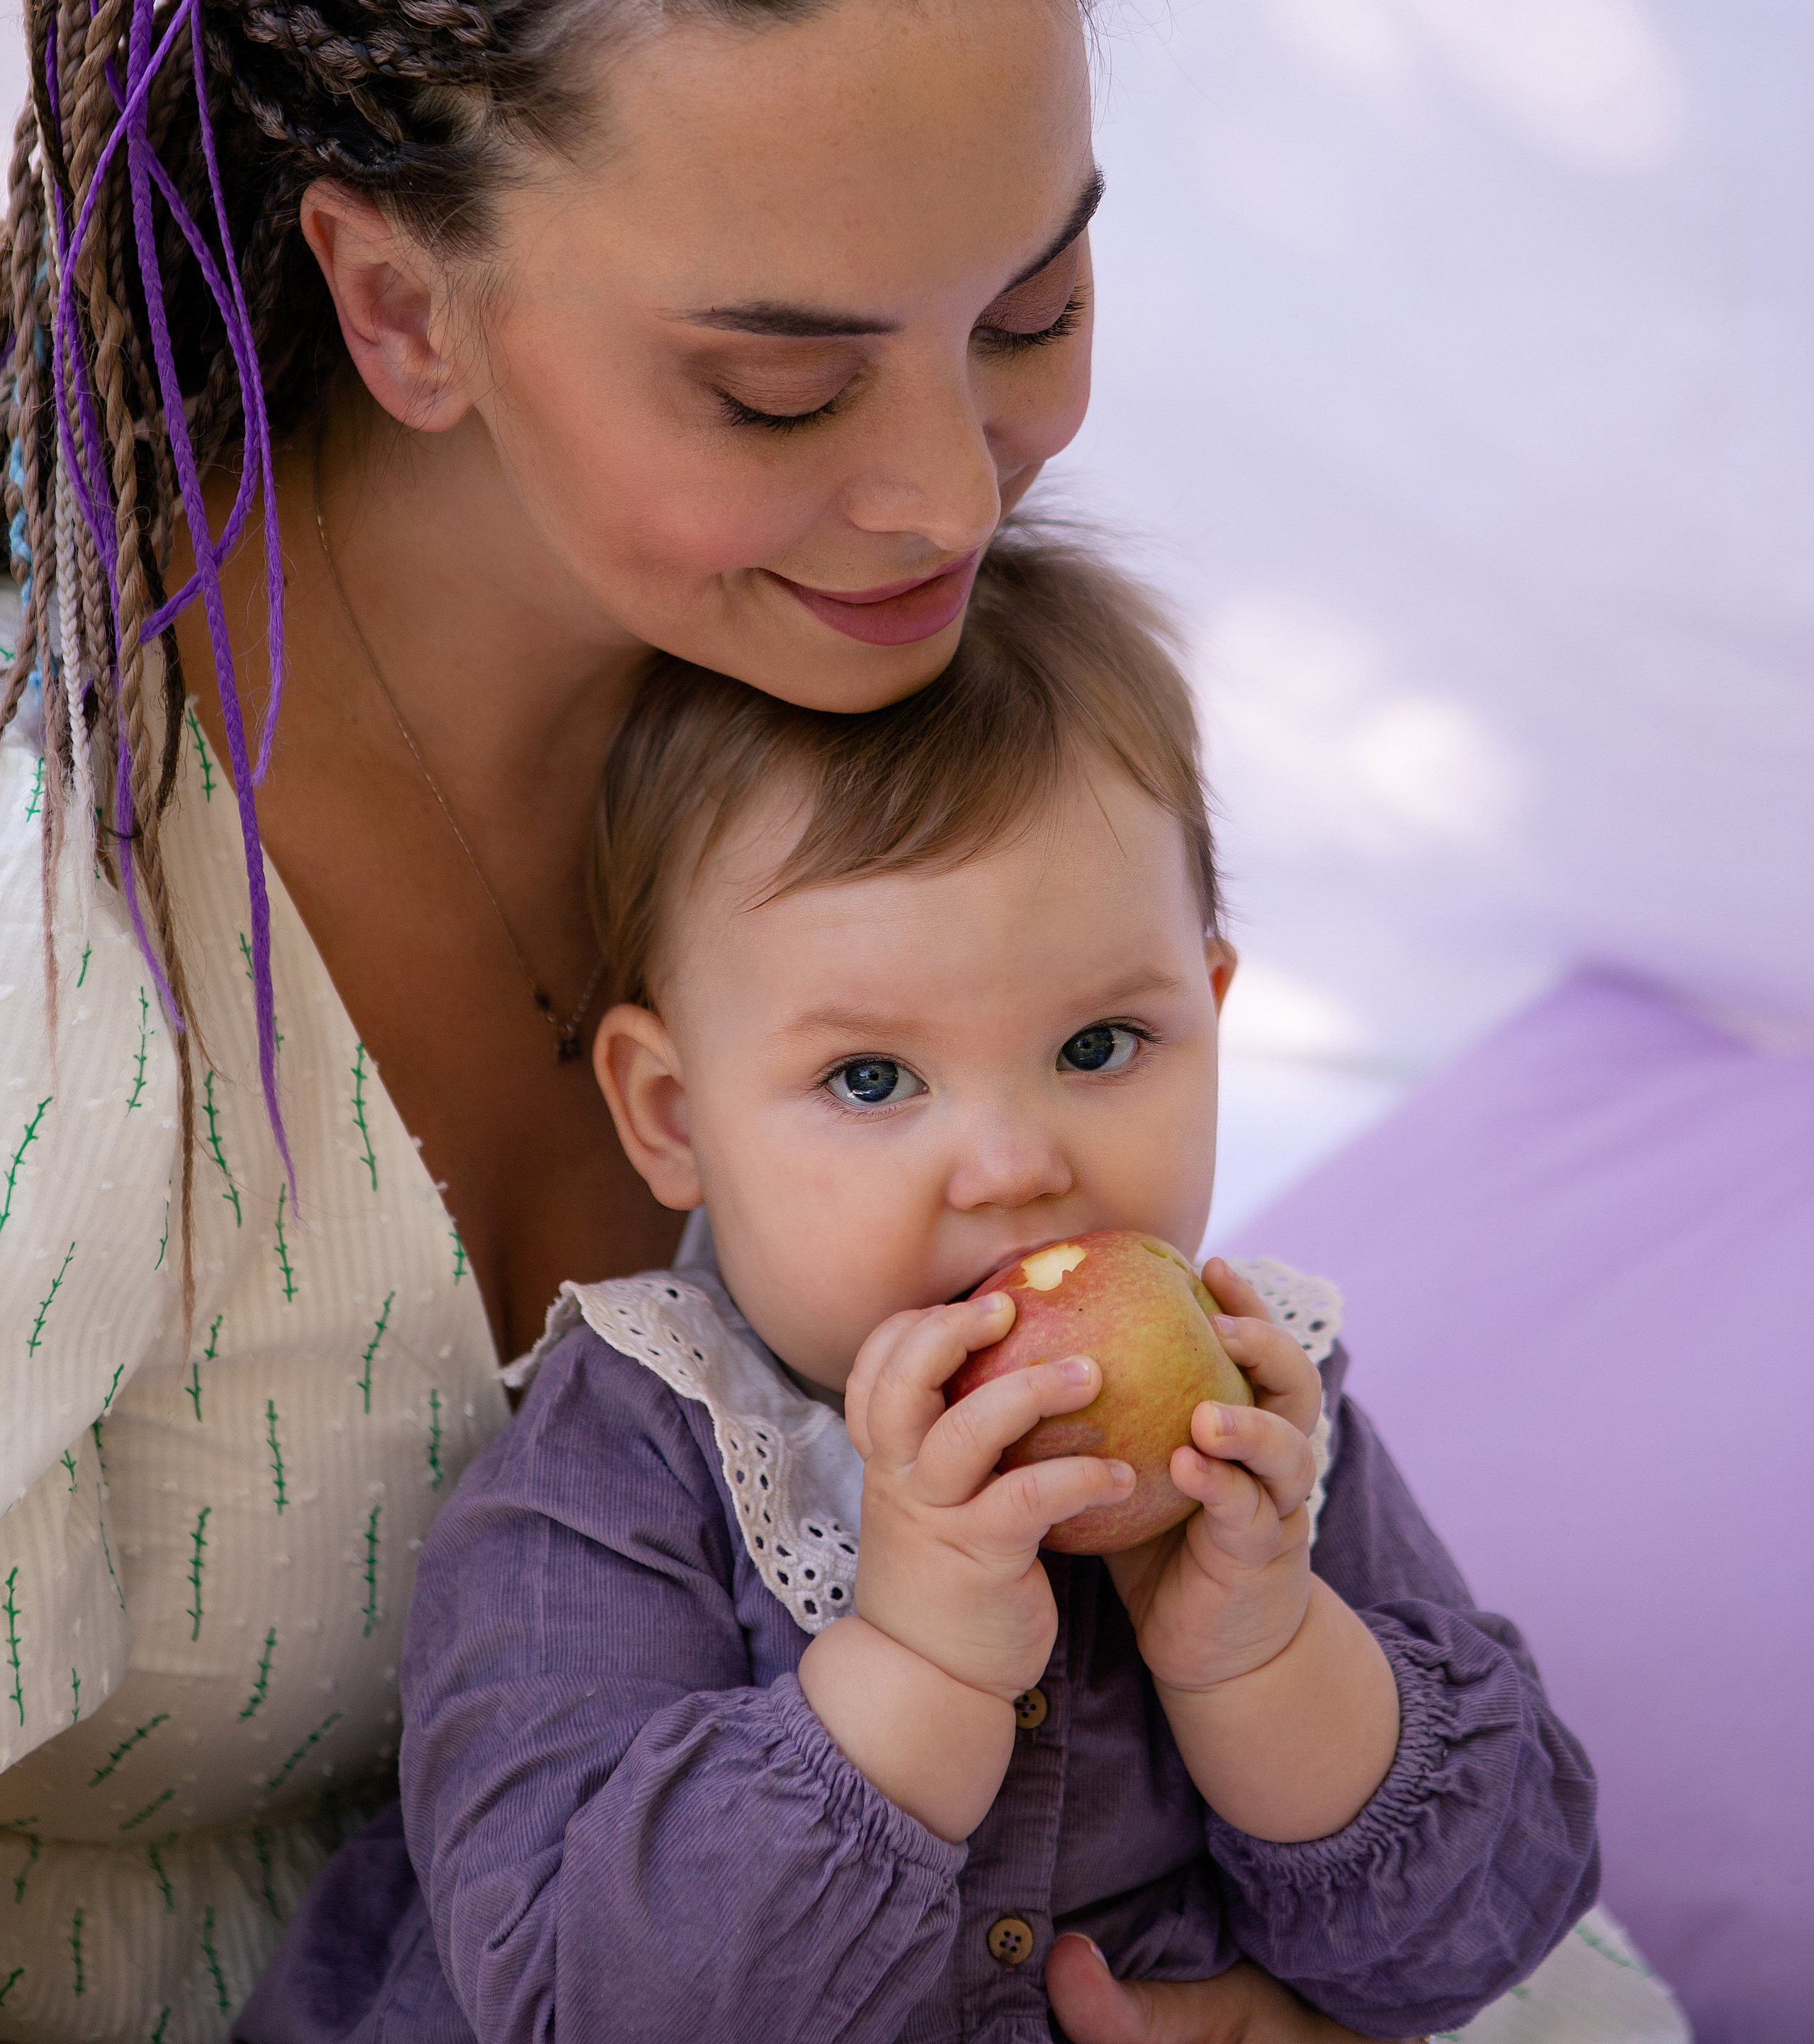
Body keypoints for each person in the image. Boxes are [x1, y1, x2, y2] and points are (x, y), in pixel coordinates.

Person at [0, 0, 1394, 2044]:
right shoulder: (57, 937)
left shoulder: (913, 723)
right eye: (777, 387)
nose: (954, 497)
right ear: (398, 307)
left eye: (1035, 304)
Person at [242, 532, 1602, 2044]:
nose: (1016, 1165)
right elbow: (586, 2001)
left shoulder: (1256, 1417)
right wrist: (914, 1664)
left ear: (1211, 1015)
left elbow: (1475, 1930)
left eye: (1100, 1047)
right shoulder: (631, 1463)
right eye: (873, 1077)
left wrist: (1266, 1654)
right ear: (675, 1115)